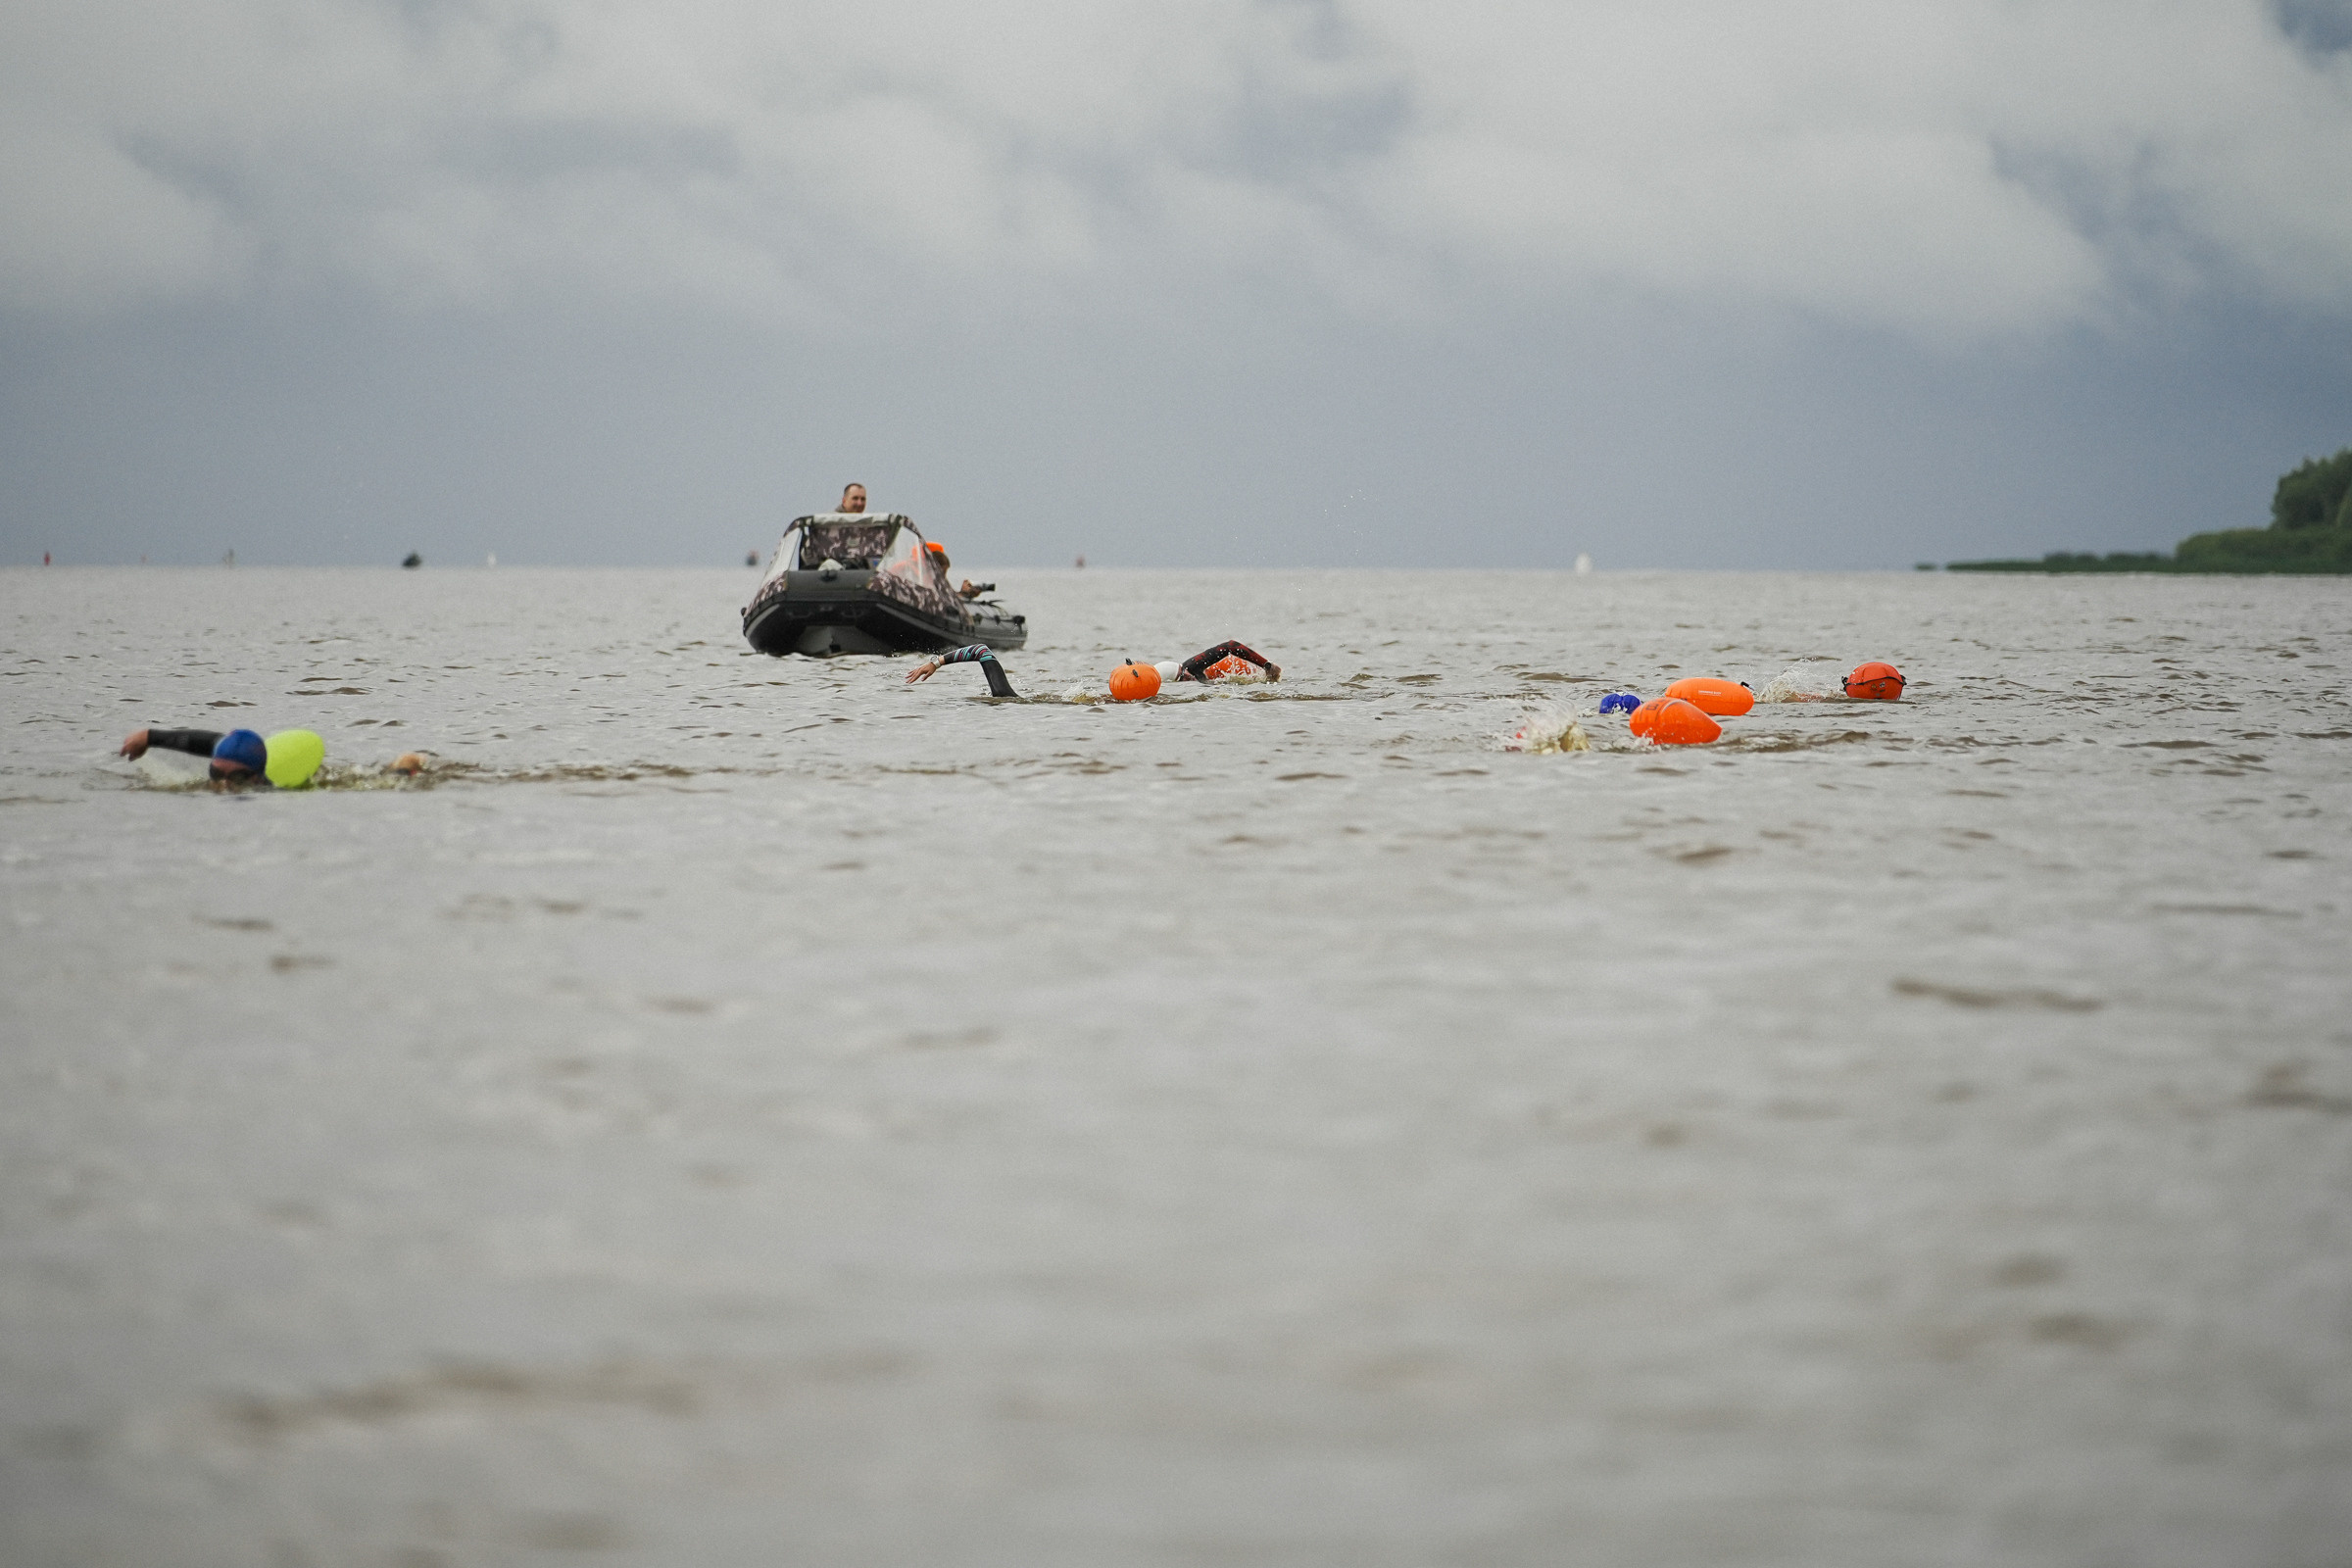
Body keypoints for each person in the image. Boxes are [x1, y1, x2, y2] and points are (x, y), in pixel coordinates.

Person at [119, 726, 281, 787]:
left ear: (257, 776)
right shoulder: (227, 754)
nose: (223, 784)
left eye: (237, 777)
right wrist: (149, 736)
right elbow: (207, 742)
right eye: (215, 774)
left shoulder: (275, 791)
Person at [905, 645, 1017, 698]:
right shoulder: (1006, 697)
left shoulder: (1004, 696)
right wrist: (935, 663)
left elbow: (982, 651)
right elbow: (981, 650)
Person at [1174, 640, 1279, 682]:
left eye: (1184, 674)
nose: (1188, 678)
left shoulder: (1191, 666)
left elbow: (1230, 645)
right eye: (1182, 679)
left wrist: (1267, 665)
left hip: (1224, 669)